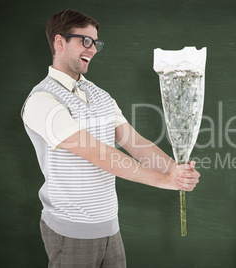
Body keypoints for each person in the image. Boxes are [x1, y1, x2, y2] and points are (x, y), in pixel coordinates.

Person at [21, 9, 200, 267]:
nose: (92, 49)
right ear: (60, 42)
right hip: (71, 233)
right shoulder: (42, 100)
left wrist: (175, 170)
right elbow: (101, 155)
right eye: (85, 41)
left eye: (95, 43)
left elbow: (135, 143)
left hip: (110, 229)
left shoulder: (100, 95)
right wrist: (165, 181)